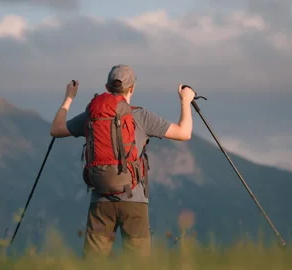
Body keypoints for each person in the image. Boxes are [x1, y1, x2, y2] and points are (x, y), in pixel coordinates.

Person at [49, 64, 195, 259]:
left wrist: (69, 97)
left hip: (100, 199)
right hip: (134, 201)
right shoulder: (141, 117)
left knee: (94, 263)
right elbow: (184, 133)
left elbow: (56, 130)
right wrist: (185, 100)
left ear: (107, 87)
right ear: (132, 88)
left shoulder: (92, 116)